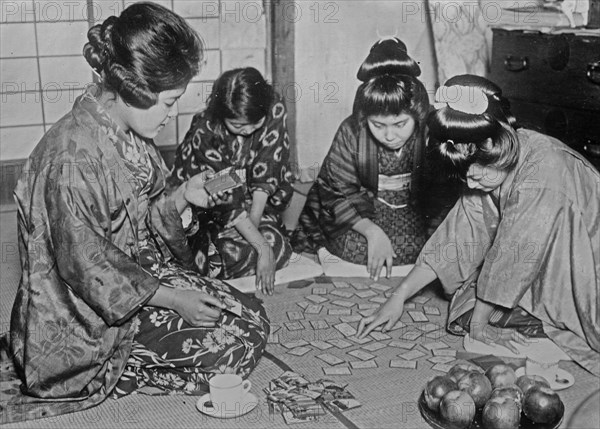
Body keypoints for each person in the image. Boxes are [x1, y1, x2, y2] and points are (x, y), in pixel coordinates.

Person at [4, 3, 269, 423]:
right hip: (84, 315)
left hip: (137, 274)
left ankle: (148, 347)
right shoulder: (70, 160)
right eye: (168, 102)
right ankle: (117, 372)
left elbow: (143, 219)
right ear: (134, 89)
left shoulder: (127, 131)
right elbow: (88, 270)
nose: (170, 115)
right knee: (235, 347)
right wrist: (175, 299)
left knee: (252, 317)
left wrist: (182, 196)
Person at [358, 74, 600, 377]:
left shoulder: (544, 173)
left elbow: (511, 259)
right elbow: (458, 235)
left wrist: (480, 327)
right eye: (464, 177)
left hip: (585, 264)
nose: (470, 183)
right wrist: (398, 297)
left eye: (476, 175)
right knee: (467, 308)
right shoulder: (494, 160)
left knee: (481, 315)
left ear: (494, 144)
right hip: (533, 258)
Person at [294, 37, 430, 281]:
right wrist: (371, 232)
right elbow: (336, 190)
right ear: (365, 118)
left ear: (417, 113)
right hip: (364, 208)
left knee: (430, 248)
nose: (389, 135)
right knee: (354, 248)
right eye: (378, 125)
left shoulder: (430, 131)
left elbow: (442, 195)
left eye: (400, 124)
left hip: (416, 207)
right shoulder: (352, 130)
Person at [169, 67, 294, 295]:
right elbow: (226, 197)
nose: (246, 131)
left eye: (254, 125)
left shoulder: (273, 107)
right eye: (237, 126)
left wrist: (256, 231)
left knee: (278, 245)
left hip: (248, 204)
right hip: (205, 211)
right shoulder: (205, 130)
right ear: (220, 115)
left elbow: (268, 169)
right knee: (200, 258)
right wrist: (261, 247)